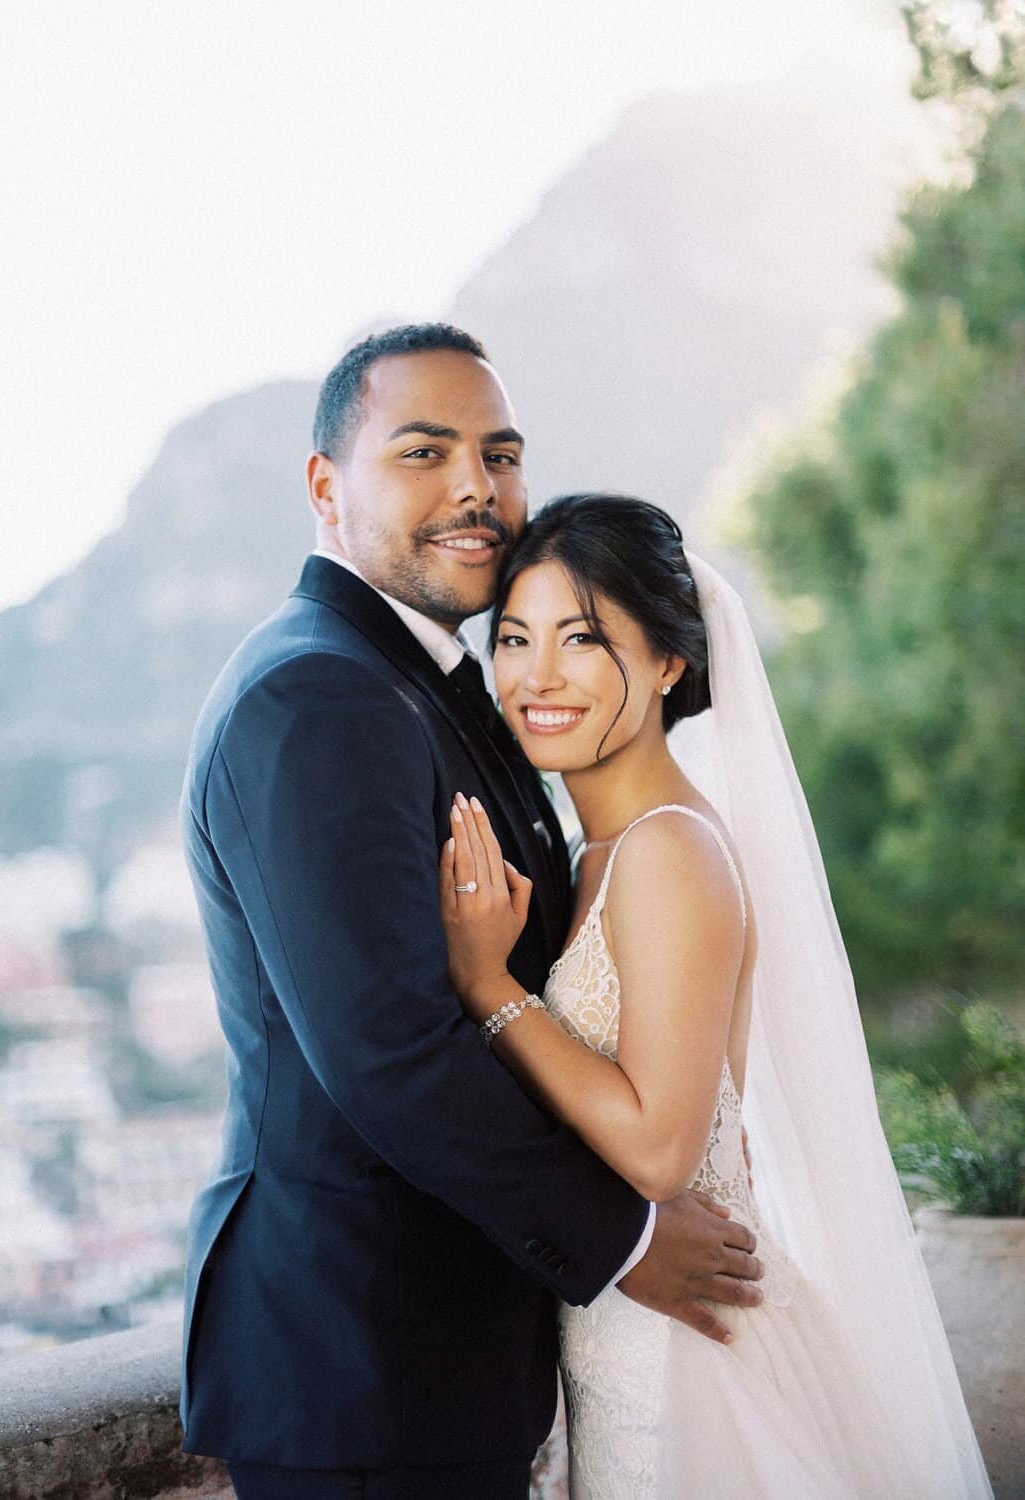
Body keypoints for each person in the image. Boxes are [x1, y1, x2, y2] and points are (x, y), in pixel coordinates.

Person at [178, 326, 763, 1500]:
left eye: (499, 455)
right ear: (323, 486)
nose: (473, 488)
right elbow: (387, 1050)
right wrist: (624, 1243)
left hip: (442, 1360)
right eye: (423, 452)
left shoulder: (428, 688)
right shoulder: (317, 696)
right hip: (365, 1365)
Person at [439, 491, 993, 1498]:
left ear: (665, 661)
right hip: (619, 1342)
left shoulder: (669, 851)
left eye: (582, 638)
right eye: (513, 638)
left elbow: (659, 1147)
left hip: (687, 1365)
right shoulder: (591, 850)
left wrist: (488, 987)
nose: (536, 675)